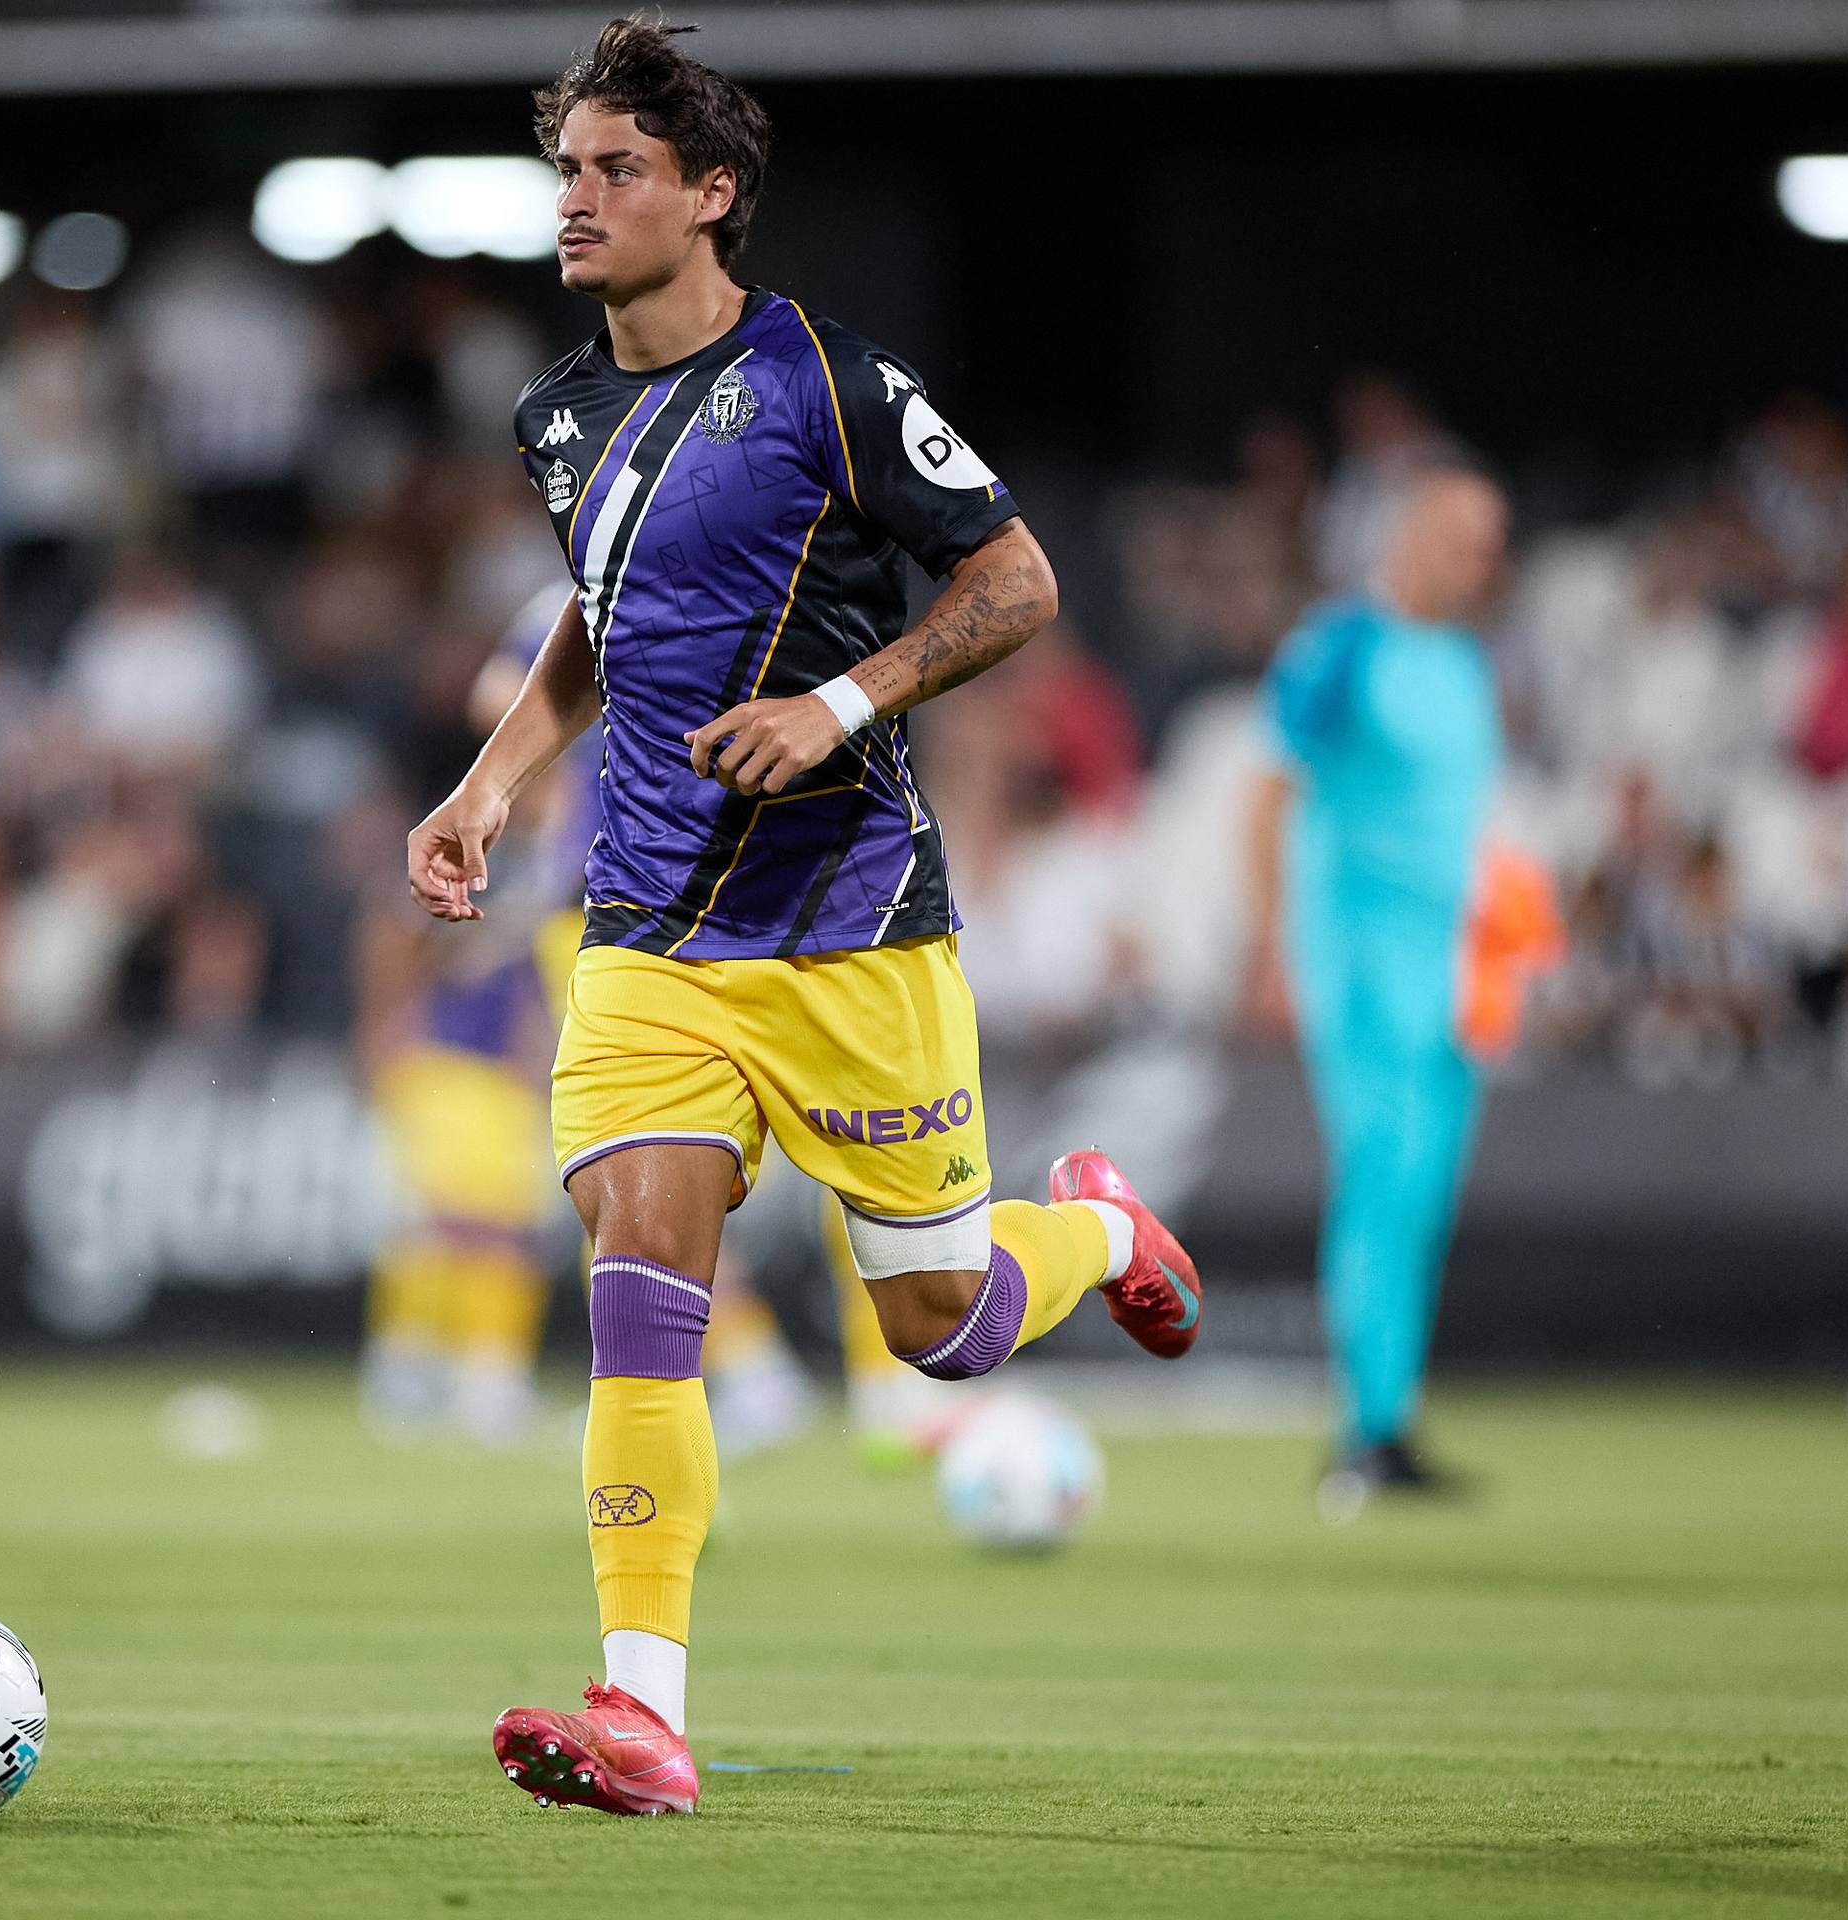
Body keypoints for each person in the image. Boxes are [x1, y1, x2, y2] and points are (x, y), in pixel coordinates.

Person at [404, 18, 1205, 1816]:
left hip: (854, 932)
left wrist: (844, 706)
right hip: (648, 941)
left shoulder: (831, 383)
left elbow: (1017, 579)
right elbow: (603, 620)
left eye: (617, 169)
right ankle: (643, 1713)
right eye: (569, 169)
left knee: (945, 1323)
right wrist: (492, 779)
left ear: (713, 193)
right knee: (640, 1282)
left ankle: (1097, 1233)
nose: (578, 199)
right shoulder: (558, 415)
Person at [1243, 469, 1512, 1514]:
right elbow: (1266, 796)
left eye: (1491, 544)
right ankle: (1368, 1427)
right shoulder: (1342, 644)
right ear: (1409, 535)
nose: (1479, 562)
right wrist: (1275, 948)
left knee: (1425, 1191)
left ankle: (1391, 1415)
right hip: (1360, 960)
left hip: (1453, 971)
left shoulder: (1468, 662)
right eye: (1462, 538)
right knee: (1383, 1178)